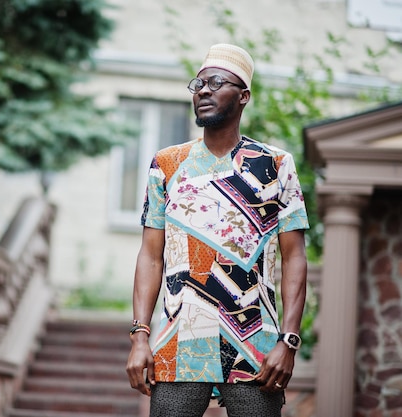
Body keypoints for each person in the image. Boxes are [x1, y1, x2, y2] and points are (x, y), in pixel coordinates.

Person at [125, 43, 309, 417]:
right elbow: (150, 255)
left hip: (254, 345)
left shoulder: (275, 165)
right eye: (198, 84)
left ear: (243, 96)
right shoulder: (167, 164)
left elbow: (294, 258)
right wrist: (139, 335)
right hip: (178, 343)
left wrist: (288, 341)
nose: (204, 90)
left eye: (216, 83)